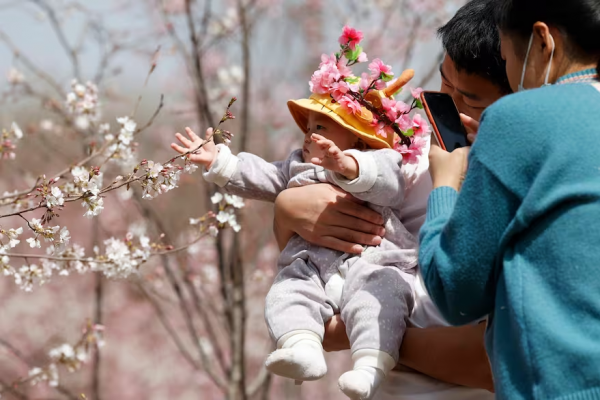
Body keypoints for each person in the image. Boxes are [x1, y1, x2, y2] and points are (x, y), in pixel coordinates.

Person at [273, 0, 511, 398]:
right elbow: (327, 258)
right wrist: (287, 213)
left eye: (469, 99)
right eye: (443, 82)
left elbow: (490, 360)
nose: (446, 105)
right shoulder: (408, 155)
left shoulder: (521, 181)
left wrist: (366, 329)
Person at [172, 61, 429, 398]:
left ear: (358, 138)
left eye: (321, 126)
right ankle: (302, 347)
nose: (310, 134)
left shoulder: (378, 162)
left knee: (382, 300)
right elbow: (261, 175)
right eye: (308, 126)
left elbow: (386, 183)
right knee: (287, 293)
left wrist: (346, 165)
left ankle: (369, 366)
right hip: (311, 266)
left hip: (372, 264)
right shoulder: (297, 165)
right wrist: (219, 162)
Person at [419, 0, 600, 398]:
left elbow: (455, 291)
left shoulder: (520, 116)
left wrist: (445, 185)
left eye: (506, 55)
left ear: (541, 40)